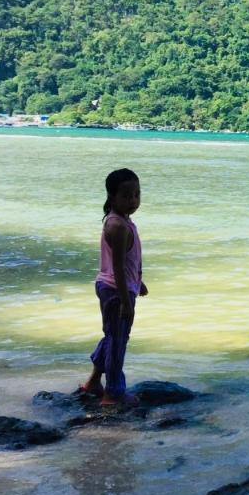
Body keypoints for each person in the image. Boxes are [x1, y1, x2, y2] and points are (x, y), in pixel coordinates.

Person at [81, 168, 147, 407]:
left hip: (118, 287)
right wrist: (125, 300)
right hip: (115, 290)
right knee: (118, 341)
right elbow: (117, 267)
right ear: (111, 197)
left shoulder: (122, 221)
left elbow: (127, 262)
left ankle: (93, 383)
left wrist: (138, 283)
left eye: (137, 195)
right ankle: (113, 394)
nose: (133, 201)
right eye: (126, 196)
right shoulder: (117, 226)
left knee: (112, 336)